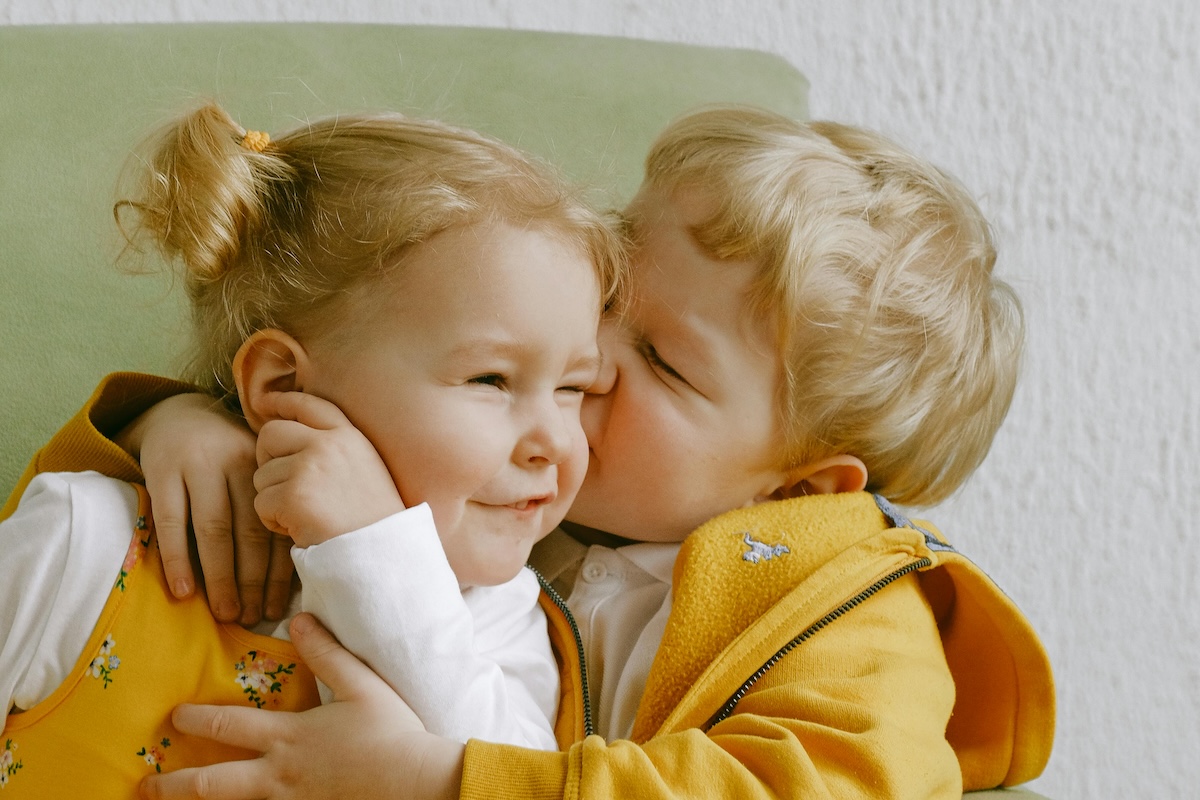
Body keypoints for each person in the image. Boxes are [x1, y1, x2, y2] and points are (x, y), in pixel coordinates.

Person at [4, 106, 1055, 799]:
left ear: (798, 488)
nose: (587, 354)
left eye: (662, 361)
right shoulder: (534, 497)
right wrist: (187, 422)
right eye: (608, 295)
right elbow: (369, 333)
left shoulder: (858, 623)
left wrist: (442, 783)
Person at [0, 102, 625, 794]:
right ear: (283, 386)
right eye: (491, 379)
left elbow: (503, 782)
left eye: (574, 387)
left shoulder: (502, 621)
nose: (555, 441)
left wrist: (377, 552)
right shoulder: (84, 540)